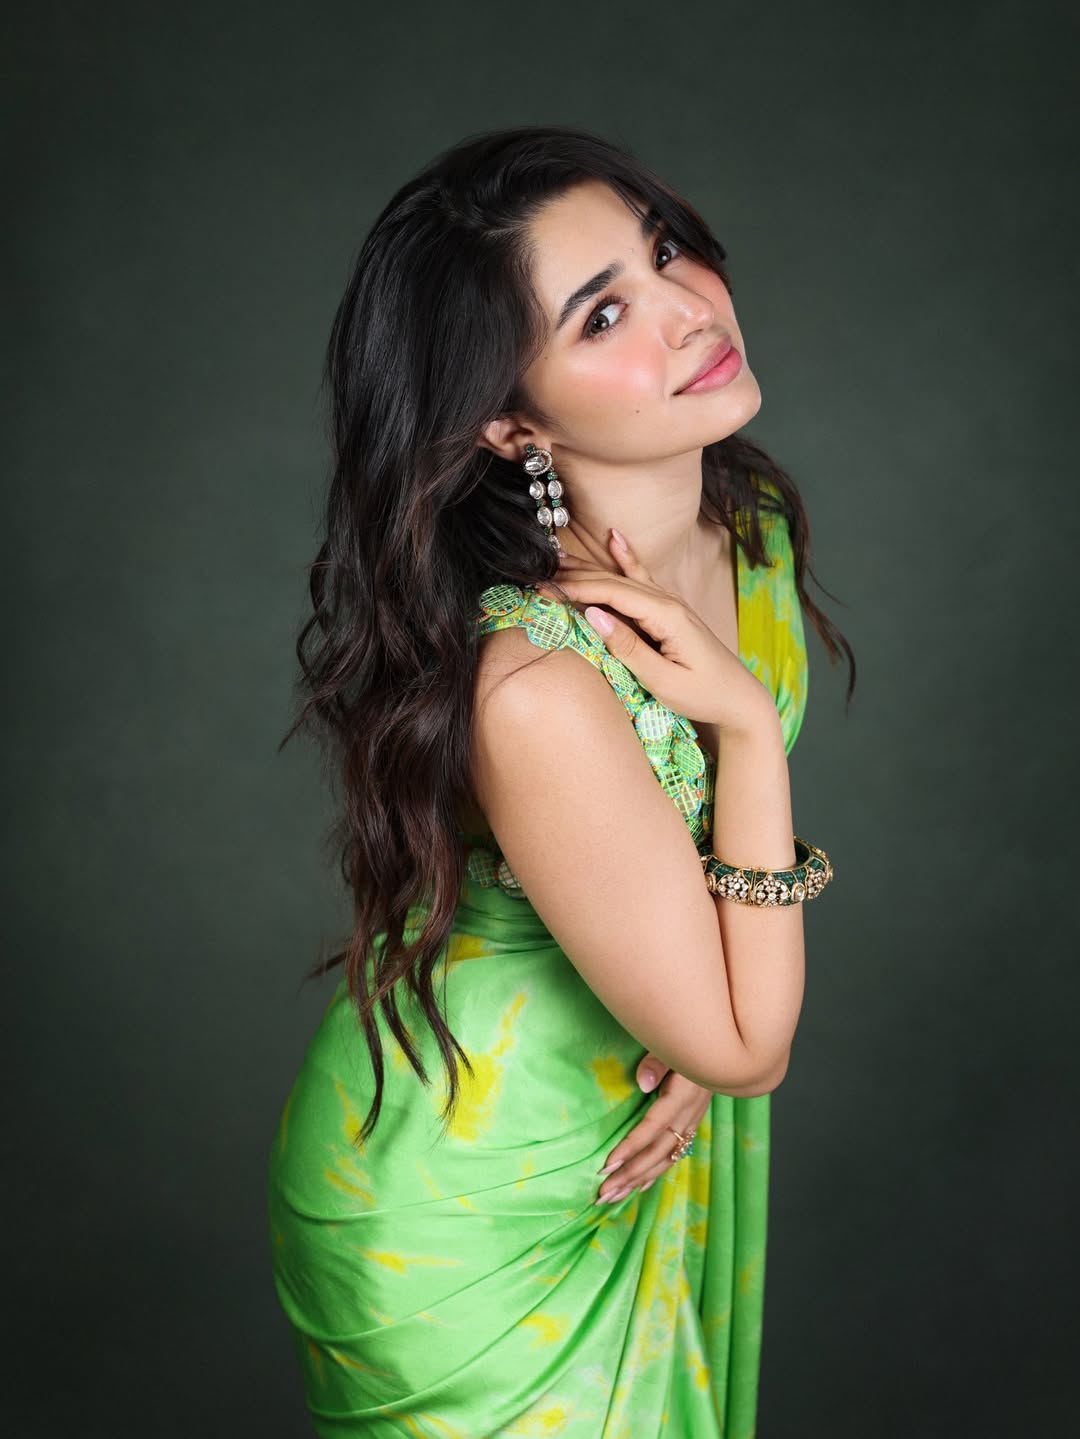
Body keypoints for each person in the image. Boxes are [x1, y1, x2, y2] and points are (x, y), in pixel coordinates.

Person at [266, 123, 854, 1438]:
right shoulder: (535, 687)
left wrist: (688, 1005)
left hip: (635, 1123)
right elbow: (749, 1045)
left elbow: (709, 983)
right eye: (603, 314)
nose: (689, 311)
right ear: (509, 420)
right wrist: (747, 735)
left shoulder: (745, 535)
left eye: (665, 252)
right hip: (470, 1213)